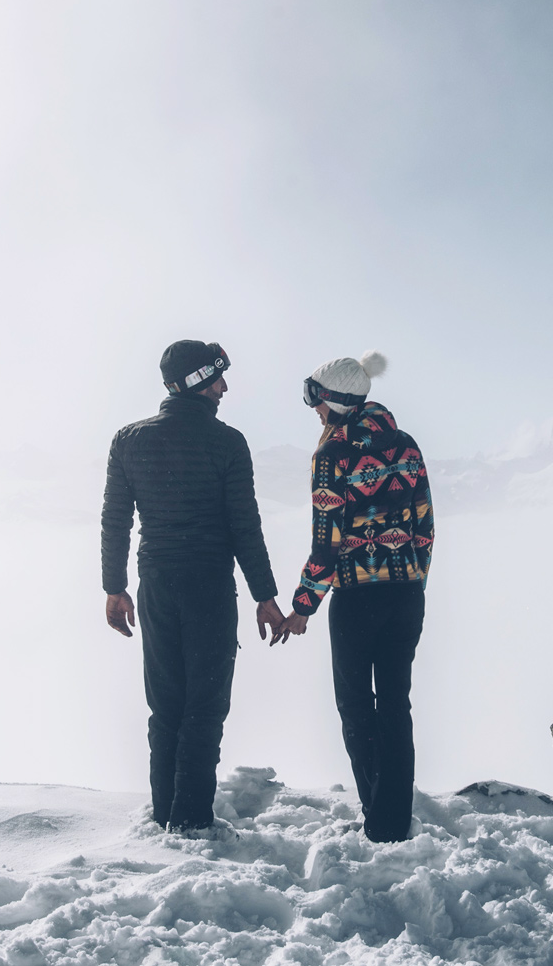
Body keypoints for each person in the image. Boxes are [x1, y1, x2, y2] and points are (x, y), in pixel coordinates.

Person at [101, 339, 285, 833]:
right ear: (199, 381)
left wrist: (114, 588)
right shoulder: (228, 443)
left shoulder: (128, 439)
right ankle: (191, 822)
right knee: (204, 707)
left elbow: (115, 520)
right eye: (218, 378)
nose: (225, 387)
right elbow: (245, 526)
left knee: (165, 706)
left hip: (154, 584)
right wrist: (265, 597)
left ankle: (165, 817)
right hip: (208, 585)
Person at [270, 351, 433, 842]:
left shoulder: (332, 456)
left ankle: (379, 824)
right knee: (396, 706)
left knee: (357, 708)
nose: (315, 413)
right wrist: (412, 582)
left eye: (316, 402)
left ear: (337, 401)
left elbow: (328, 543)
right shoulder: (406, 444)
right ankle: (394, 820)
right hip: (406, 596)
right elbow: (424, 526)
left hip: (357, 601)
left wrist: (302, 607)